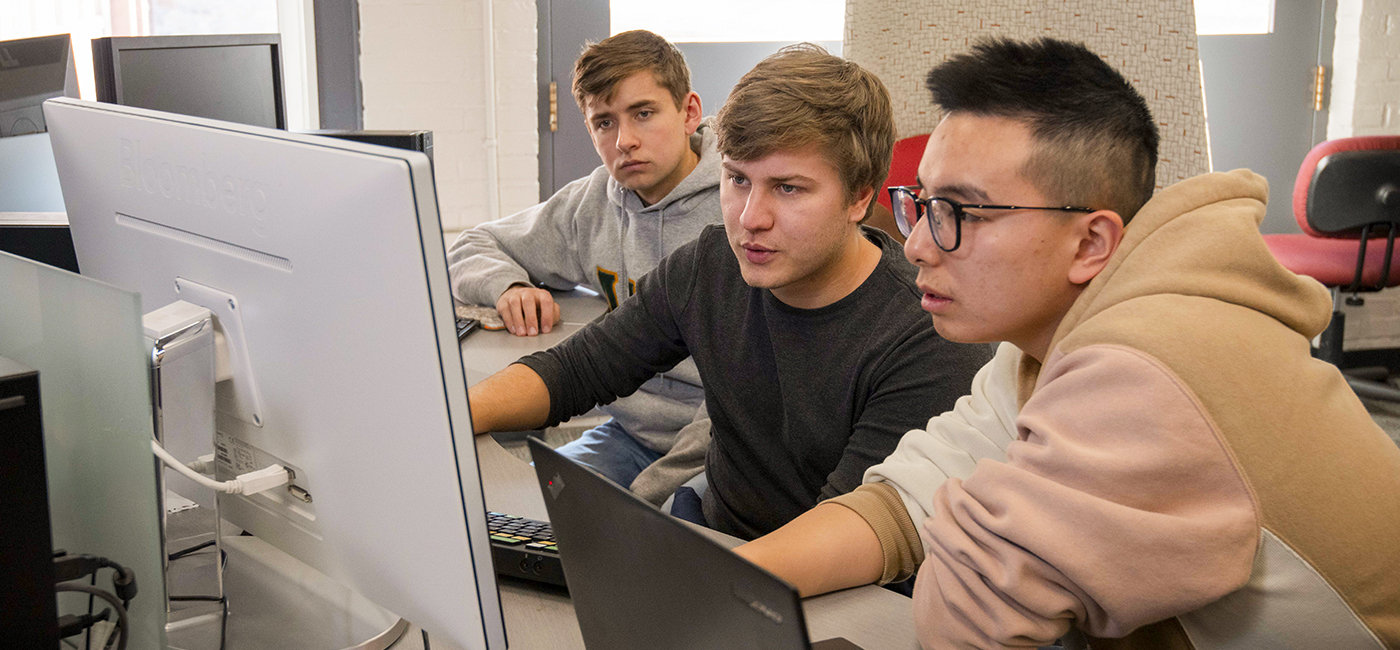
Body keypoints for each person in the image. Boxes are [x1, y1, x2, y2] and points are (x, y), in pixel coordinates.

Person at [736, 37, 1400, 649]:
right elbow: (908, 498)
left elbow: (962, 621)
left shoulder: (1150, 368)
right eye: (922, 203)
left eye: (958, 214)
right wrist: (735, 581)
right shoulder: (1055, 335)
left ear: (1091, 242)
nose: (914, 246)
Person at [467, 44, 993, 540]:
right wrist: (448, 418)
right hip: (718, 538)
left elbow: (849, 533)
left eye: (787, 188)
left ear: (858, 197)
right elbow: (576, 370)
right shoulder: (710, 266)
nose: (750, 219)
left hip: (840, 589)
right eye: (737, 180)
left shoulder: (927, 334)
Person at [446, 30, 719, 500]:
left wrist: (647, 497)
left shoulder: (740, 204)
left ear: (689, 111)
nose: (625, 141)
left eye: (644, 113)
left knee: (665, 539)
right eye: (604, 123)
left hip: (724, 450)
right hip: (628, 437)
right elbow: (474, 242)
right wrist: (507, 285)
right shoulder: (593, 201)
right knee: (526, 509)